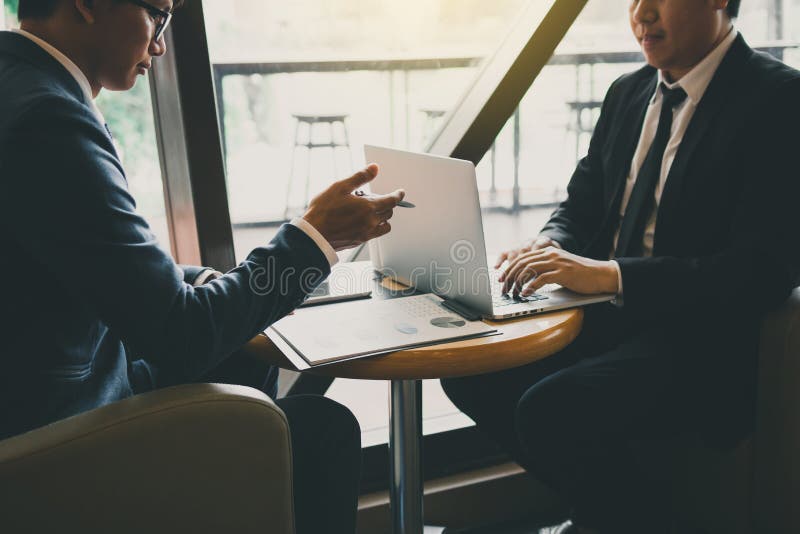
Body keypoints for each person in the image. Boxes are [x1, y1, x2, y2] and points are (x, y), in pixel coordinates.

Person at [0, 1, 405, 532]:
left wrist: (195, 281)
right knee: (321, 430)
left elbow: (90, 263)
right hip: (50, 444)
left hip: (35, 390)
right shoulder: (50, 120)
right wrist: (316, 237)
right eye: (158, 14)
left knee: (241, 351)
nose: (161, 45)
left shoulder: (18, 83)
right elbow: (181, 334)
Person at [442, 0, 800, 532]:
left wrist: (611, 276)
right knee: (466, 370)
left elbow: (763, 270)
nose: (642, 13)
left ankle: (620, 518)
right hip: (608, 316)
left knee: (551, 409)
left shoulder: (778, 99)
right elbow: (580, 206)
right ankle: (612, 515)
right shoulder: (627, 93)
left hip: (701, 337)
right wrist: (548, 248)